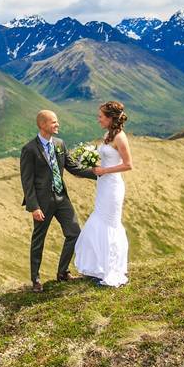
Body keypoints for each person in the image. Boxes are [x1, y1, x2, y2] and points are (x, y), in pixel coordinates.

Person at [19, 109, 97, 292]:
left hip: (62, 199)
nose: (57, 125)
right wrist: (34, 207)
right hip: (42, 204)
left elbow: (73, 168)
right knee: (39, 240)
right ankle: (36, 279)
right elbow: (27, 181)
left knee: (74, 233)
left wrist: (98, 174)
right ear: (42, 125)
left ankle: (62, 272)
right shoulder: (29, 149)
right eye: (54, 122)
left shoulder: (60, 144)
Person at [74, 101, 133, 287]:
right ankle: (99, 267)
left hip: (113, 186)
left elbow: (128, 164)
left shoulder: (120, 138)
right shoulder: (108, 135)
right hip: (103, 186)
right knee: (98, 222)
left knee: (109, 224)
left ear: (110, 118)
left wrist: (105, 171)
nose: (98, 119)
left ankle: (111, 272)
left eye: (101, 116)